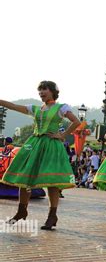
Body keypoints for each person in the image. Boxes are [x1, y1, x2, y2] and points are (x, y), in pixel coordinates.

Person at [0, 81, 81, 230]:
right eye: (40, 90)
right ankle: (21, 211)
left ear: (52, 91)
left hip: (51, 145)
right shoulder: (35, 108)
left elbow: (76, 121)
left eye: (44, 89)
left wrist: (63, 135)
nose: (41, 92)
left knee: (51, 181)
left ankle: (52, 216)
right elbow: (14, 106)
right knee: (24, 178)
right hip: (34, 144)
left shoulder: (61, 108)